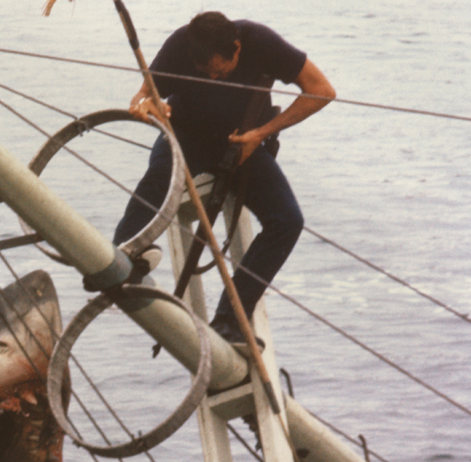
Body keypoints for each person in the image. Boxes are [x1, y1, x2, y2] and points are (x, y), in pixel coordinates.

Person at [114, 11, 335, 345]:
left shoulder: (261, 42)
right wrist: (148, 106)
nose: (214, 78)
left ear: (236, 48)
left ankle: (231, 319)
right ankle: (123, 255)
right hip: (186, 136)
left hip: (241, 145)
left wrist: (261, 134)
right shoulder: (181, 44)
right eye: (206, 72)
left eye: (220, 69)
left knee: (288, 220)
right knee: (158, 177)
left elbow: (321, 90)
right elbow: (145, 94)